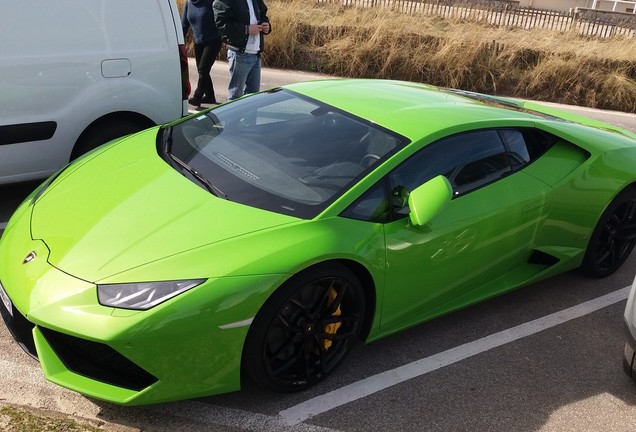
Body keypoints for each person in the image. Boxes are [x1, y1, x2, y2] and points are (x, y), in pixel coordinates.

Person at [213, 0, 272, 100]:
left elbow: (263, 14)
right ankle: (231, 116)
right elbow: (221, 23)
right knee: (235, 97)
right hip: (239, 53)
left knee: (252, 98)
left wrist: (266, 26)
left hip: (256, 54)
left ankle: (250, 117)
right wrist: (246, 29)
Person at [182, 0, 222, 108]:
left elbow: (221, 18)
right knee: (202, 69)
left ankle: (197, 97)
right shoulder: (188, 3)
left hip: (213, 40)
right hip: (198, 41)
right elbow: (184, 24)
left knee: (203, 69)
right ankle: (210, 96)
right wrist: (178, 43)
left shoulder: (210, 2)